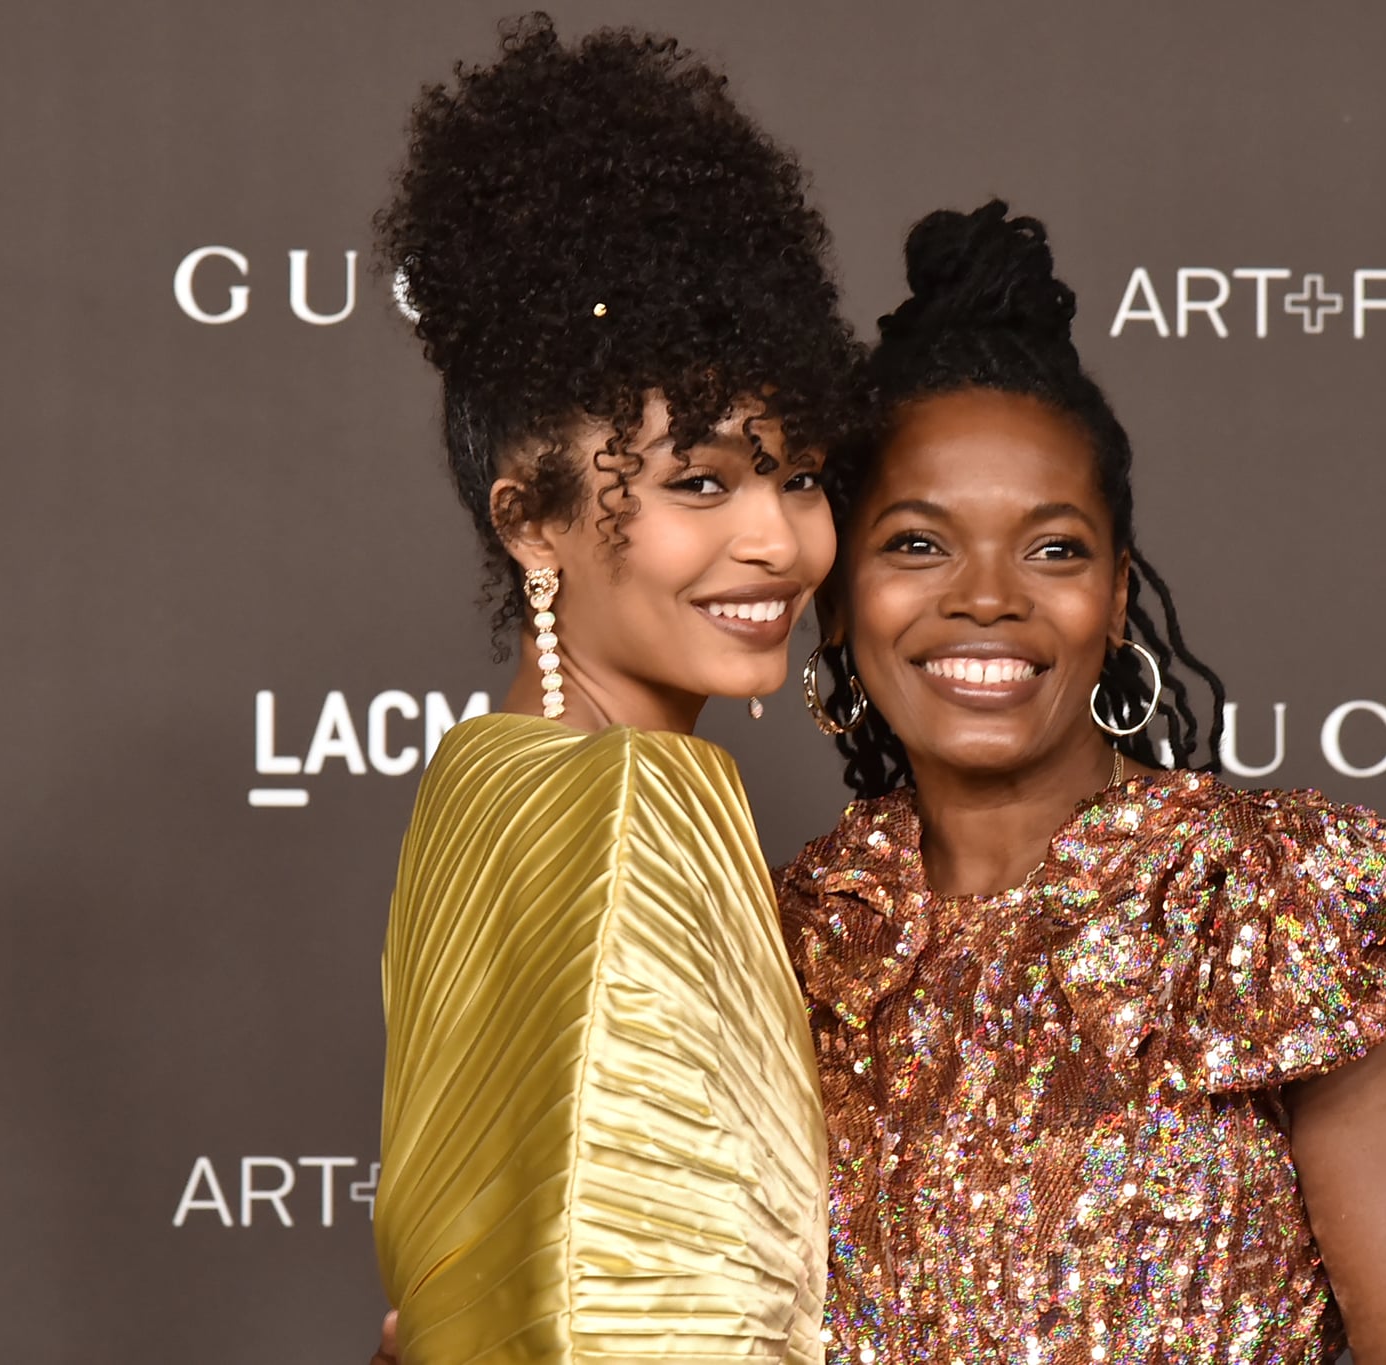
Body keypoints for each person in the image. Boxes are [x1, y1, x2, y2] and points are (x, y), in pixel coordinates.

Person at [783, 201, 1386, 1363]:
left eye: (1051, 547)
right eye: (916, 543)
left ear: (1114, 597)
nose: (985, 596)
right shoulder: (779, 948)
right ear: (836, 600)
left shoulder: (1280, 910)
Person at [370, 16, 861, 1364]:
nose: (778, 538)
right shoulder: (641, 804)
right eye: (701, 481)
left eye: (801, 472)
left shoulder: (486, 783)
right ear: (531, 519)